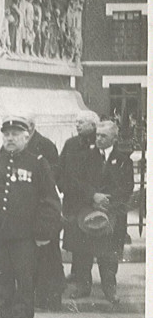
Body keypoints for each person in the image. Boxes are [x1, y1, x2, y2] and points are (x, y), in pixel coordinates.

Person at [0, 116, 61, 318]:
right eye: (6, 134)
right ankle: (4, 317)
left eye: (15, 134)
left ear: (26, 137)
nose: (10, 138)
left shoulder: (37, 163)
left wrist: (43, 232)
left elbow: (50, 201)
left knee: (24, 279)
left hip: (24, 236)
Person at [63, 121, 133, 304]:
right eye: (98, 135)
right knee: (83, 251)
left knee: (109, 254)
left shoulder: (124, 160)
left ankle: (110, 288)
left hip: (111, 213)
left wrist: (107, 202)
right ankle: (83, 286)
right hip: (86, 210)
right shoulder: (85, 157)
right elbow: (75, 182)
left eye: (104, 136)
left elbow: (126, 188)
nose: (99, 139)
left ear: (114, 139)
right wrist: (93, 196)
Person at [24, 115, 65, 311]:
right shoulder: (15, 147)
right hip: (27, 209)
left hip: (44, 207)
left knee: (49, 253)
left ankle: (52, 296)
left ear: (31, 127)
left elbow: (54, 172)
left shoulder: (45, 145)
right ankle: (37, 294)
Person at [58, 110, 100, 281]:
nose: (77, 125)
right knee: (74, 238)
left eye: (81, 122)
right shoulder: (71, 143)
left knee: (85, 239)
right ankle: (76, 272)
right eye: (76, 122)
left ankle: (84, 277)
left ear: (92, 125)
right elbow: (60, 168)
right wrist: (62, 186)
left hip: (87, 200)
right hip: (71, 198)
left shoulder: (97, 143)